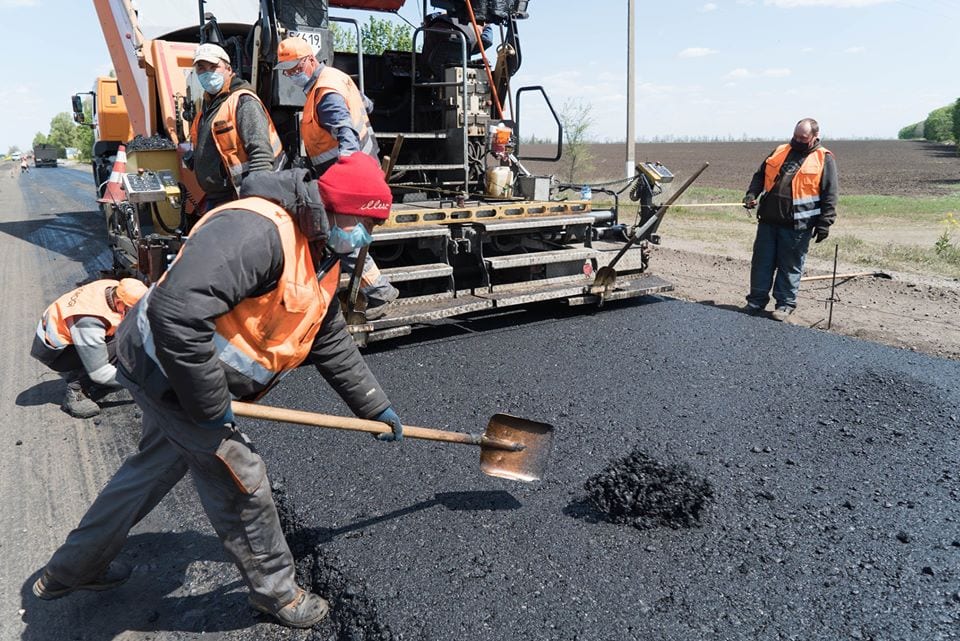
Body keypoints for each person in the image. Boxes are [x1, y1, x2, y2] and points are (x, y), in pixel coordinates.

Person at [31, 167, 404, 629]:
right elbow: (175, 315)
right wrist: (209, 407)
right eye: (363, 222)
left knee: (151, 469)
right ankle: (277, 594)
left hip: (179, 376)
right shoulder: (257, 231)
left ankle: (69, 571)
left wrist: (373, 403)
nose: (365, 235)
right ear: (332, 206)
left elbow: (326, 337)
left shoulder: (322, 252)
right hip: (166, 371)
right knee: (241, 479)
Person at [274, 37, 398, 320]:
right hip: (360, 168)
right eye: (286, 71)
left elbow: (346, 135)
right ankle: (369, 291)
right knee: (343, 236)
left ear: (310, 60)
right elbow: (367, 106)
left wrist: (348, 176)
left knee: (341, 237)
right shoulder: (336, 79)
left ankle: (379, 293)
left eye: (294, 68)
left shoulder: (326, 92)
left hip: (349, 174)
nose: (291, 75)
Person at [742, 118, 837, 321]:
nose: (797, 140)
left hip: (798, 226)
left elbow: (830, 193)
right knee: (761, 263)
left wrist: (825, 223)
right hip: (768, 220)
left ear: (814, 137)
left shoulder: (824, 158)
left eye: (802, 138)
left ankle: (784, 305)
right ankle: (756, 301)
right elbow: (760, 175)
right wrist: (752, 194)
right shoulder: (780, 150)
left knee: (790, 267)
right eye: (795, 136)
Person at [31, 278, 148, 418]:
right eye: (132, 311)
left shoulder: (115, 288)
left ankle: (93, 370)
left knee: (129, 332)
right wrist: (143, 382)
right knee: (123, 344)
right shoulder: (89, 320)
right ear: (118, 303)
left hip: (72, 338)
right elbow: (100, 373)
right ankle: (76, 390)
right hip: (56, 354)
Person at [189, 42, 284, 211]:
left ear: (228, 69)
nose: (207, 72)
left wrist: (257, 199)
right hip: (218, 198)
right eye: (201, 68)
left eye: (214, 66)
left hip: (240, 197)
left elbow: (261, 153)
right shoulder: (208, 107)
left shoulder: (243, 101)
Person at [421, 9, 494, 80]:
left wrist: (424, 78)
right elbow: (487, 41)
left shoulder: (436, 28)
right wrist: (487, 26)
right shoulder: (474, 28)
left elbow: (425, 58)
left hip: (438, 69)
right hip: (459, 69)